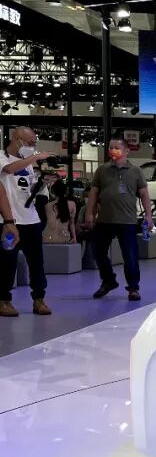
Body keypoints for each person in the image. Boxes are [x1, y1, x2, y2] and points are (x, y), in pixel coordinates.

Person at [85, 140, 153, 301]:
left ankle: (133, 288)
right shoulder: (102, 170)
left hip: (127, 221)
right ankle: (109, 280)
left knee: (130, 256)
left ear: (126, 151)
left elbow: (144, 194)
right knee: (98, 251)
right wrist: (89, 213)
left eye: (117, 147)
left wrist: (148, 215)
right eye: (110, 147)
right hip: (104, 220)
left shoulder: (135, 171)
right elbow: (93, 193)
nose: (113, 150)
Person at [0, 127, 52, 316]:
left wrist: (42, 183)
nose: (32, 146)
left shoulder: (28, 164)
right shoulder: (2, 157)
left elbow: (27, 189)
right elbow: (8, 169)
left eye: (34, 143)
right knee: (7, 261)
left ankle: (39, 298)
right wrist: (35, 157)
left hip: (31, 220)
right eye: (30, 142)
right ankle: (4, 300)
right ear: (16, 138)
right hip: (9, 221)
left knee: (37, 262)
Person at [42, 179, 78, 245]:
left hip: (47, 238)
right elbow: (72, 223)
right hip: (64, 238)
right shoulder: (72, 204)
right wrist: (74, 238)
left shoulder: (47, 206)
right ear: (66, 191)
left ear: (53, 192)